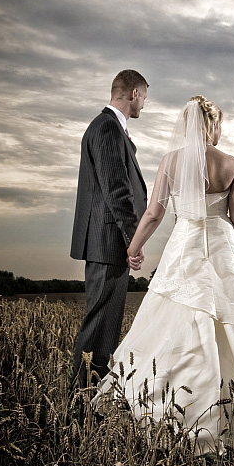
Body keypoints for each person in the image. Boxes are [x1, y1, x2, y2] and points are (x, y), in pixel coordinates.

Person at [91, 96, 234, 454]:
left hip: (184, 250)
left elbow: (154, 214)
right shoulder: (230, 164)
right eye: (219, 124)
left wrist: (134, 248)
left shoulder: (170, 162)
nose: (220, 131)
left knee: (171, 326)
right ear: (211, 125)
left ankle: (167, 407)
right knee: (233, 327)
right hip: (224, 254)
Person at [70, 70, 149, 395]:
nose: (144, 103)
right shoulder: (107, 128)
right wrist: (134, 242)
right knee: (101, 326)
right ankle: (82, 398)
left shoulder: (109, 128)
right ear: (133, 93)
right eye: (144, 96)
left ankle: (91, 394)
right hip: (108, 242)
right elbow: (117, 191)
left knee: (105, 325)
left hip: (107, 242)